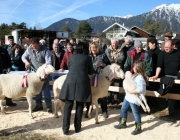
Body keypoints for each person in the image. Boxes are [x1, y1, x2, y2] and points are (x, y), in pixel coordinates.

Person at [59, 42, 94, 135]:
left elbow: (70, 66)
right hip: (82, 82)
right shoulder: (88, 58)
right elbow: (91, 72)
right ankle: (77, 128)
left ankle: (65, 129)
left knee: (68, 105)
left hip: (70, 81)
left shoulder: (72, 57)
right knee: (79, 105)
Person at [114, 61, 148, 135]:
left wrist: (131, 91)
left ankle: (138, 127)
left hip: (134, 98)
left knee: (135, 113)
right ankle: (123, 123)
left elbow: (140, 89)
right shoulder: (135, 75)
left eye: (135, 67)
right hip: (128, 97)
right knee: (123, 108)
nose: (133, 68)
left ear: (138, 68)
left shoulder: (140, 78)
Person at [150, 40, 180, 120]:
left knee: (174, 95)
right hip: (166, 76)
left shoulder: (178, 53)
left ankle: (172, 112)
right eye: (165, 47)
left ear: (173, 46)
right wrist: (156, 75)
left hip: (176, 77)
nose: (166, 48)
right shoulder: (162, 54)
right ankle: (171, 111)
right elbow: (159, 65)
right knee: (167, 94)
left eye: (167, 47)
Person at [22, 37, 52, 113]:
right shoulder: (29, 49)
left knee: (46, 90)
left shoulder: (46, 50)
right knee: (37, 90)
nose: (34, 47)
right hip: (35, 74)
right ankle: (39, 105)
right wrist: (26, 62)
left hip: (44, 73)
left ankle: (49, 106)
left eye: (36, 46)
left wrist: (46, 72)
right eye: (33, 46)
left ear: (39, 43)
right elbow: (23, 57)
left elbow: (48, 62)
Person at [88, 42, 110, 118]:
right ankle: (89, 110)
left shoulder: (103, 55)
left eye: (94, 48)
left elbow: (108, 65)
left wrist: (101, 64)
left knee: (102, 95)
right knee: (90, 94)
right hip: (91, 77)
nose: (93, 49)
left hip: (101, 78)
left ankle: (104, 110)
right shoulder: (88, 56)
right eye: (92, 48)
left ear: (97, 48)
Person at [0, 40, 16, 106]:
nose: (0, 43)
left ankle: (8, 101)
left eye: (1, 42)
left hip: (3, 71)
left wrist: (9, 66)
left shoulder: (4, 50)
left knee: (6, 87)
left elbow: (8, 59)